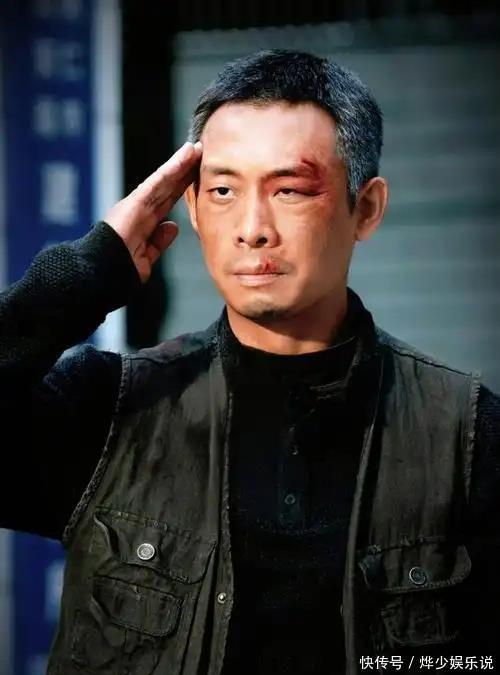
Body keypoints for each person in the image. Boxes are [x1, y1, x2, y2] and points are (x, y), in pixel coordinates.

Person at [1, 50, 500, 675]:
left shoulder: (465, 435)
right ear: (190, 207)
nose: (252, 228)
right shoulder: (110, 411)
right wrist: (84, 273)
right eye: (222, 191)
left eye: (289, 189)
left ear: (366, 209)